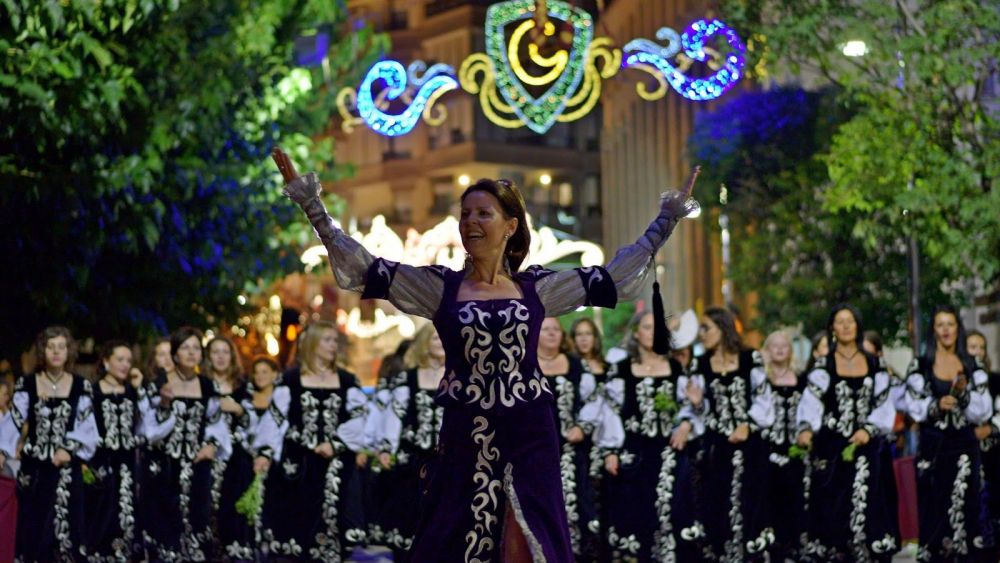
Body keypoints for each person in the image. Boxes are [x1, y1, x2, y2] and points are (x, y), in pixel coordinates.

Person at [271, 146, 700, 562]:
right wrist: (314, 208)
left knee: (526, 531)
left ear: (510, 225)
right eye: (465, 215)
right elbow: (363, 268)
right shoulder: (440, 288)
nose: (470, 222)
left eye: (483, 214)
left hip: (531, 429)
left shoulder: (537, 288)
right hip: (465, 431)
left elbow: (614, 278)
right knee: (455, 532)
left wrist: (664, 221)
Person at [256, 320, 371, 559]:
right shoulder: (291, 380)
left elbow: (361, 417)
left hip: (336, 466)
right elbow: (275, 418)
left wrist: (335, 443)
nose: (333, 346)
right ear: (312, 343)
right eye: (327, 340)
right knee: (295, 529)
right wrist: (265, 453)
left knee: (331, 525)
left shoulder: (347, 380)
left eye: (334, 341)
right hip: (296, 466)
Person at [594, 310, 703, 561]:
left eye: (657, 328)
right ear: (636, 333)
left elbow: (690, 404)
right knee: (635, 514)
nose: (653, 332)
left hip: (669, 452)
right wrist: (611, 450)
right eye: (646, 327)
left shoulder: (677, 367)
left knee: (673, 511)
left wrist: (686, 423)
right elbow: (608, 411)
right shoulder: (621, 369)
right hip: (633, 453)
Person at [796, 304, 900, 561]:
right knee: (833, 506)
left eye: (850, 321)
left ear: (858, 326)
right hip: (831, 449)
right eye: (840, 322)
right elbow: (811, 403)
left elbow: (884, 405)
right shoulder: (823, 366)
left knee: (866, 502)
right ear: (832, 328)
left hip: (866, 447)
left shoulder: (875, 364)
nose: (845, 326)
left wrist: (868, 429)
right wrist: (806, 429)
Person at [0, 326, 99, 561]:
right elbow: (13, 421)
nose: (56, 352)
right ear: (42, 351)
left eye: (61, 347)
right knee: (33, 529)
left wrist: (69, 448)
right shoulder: (28, 384)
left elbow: (88, 428)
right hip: (34, 471)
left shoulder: (80, 386)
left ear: (69, 352)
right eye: (50, 346)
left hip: (66, 470)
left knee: (66, 530)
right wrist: (2, 450)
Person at [904, 306, 994, 560]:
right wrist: (934, 406)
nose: (946, 330)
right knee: (933, 510)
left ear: (958, 328)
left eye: (950, 324)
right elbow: (912, 405)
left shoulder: (971, 363)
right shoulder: (921, 364)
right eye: (940, 324)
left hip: (964, 447)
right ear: (934, 329)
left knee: (967, 508)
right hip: (933, 449)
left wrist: (963, 396)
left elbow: (983, 409)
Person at [138, 326, 232, 560]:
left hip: (197, 466)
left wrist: (211, 444)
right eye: (185, 348)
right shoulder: (160, 385)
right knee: (164, 524)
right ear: (175, 354)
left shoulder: (209, 386)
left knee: (197, 522)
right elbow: (147, 430)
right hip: (164, 467)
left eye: (196, 348)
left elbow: (216, 421)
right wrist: (165, 405)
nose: (191, 353)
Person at [690, 306, 774, 561]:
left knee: (751, 504)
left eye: (706, 328)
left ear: (723, 328)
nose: (701, 334)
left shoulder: (751, 359)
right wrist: (697, 403)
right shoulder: (701, 364)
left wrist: (747, 424)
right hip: (717, 449)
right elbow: (701, 414)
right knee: (719, 506)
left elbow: (764, 400)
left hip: (751, 446)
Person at [369, 324, 447, 559]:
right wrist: (385, 448)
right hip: (412, 460)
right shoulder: (407, 378)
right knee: (407, 521)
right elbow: (395, 416)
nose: (441, 342)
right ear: (424, 343)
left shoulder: (462, 376)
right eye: (435, 338)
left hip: (450, 461)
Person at [536, 317, 601, 560]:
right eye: (546, 329)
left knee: (573, 507)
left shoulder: (575, 365)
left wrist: (582, 427)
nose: (552, 334)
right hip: (535, 449)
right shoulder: (524, 364)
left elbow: (595, 399)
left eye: (556, 329)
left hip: (571, 450)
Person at [85, 340, 141, 560]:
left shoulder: (132, 391)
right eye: (120, 359)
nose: (125, 365)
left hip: (126, 463)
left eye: (129, 360)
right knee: (101, 512)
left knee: (126, 510)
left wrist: (139, 390)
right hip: (101, 462)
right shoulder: (93, 391)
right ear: (106, 361)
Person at [760, 329, 806, 561]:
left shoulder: (802, 378)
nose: (779, 350)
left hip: (796, 452)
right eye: (774, 346)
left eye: (784, 346)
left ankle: (794, 547)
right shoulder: (761, 379)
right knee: (771, 501)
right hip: (769, 451)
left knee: (795, 501)